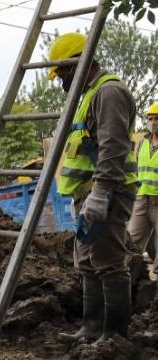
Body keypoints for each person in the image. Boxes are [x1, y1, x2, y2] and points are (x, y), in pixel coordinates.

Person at [52, 32, 139, 343]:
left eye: (63, 72)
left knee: (109, 262)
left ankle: (115, 338)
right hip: (89, 194)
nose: (61, 80)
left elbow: (113, 147)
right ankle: (90, 329)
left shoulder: (109, 92)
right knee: (88, 261)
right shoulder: (88, 95)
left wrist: (101, 193)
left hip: (108, 192)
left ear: (80, 63)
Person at [128, 102, 158, 282]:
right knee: (131, 240)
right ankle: (131, 276)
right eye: (150, 119)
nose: (153, 122)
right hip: (141, 198)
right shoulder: (142, 143)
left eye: (156, 119)